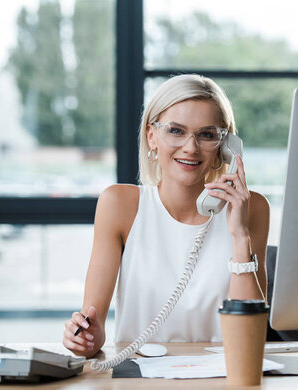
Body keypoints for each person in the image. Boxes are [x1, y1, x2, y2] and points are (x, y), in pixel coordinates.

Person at [62, 74, 269, 357]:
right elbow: (92, 326)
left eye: (207, 134)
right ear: (152, 137)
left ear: (225, 147)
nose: (190, 147)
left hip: (222, 383)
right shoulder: (119, 205)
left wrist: (239, 235)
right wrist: (87, 337)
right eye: (176, 130)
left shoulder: (252, 208)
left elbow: (251, 342)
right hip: (140, 383)